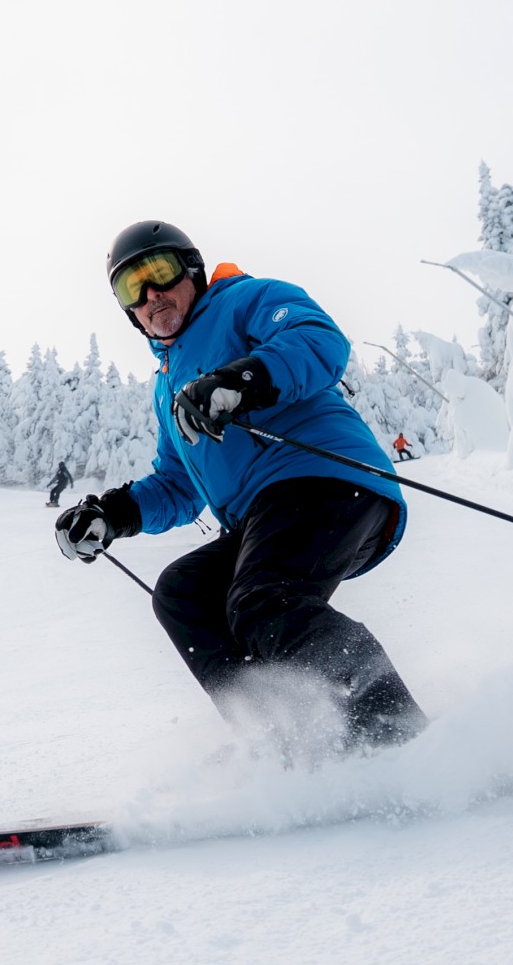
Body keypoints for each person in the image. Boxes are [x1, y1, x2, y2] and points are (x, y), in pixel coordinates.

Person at [54, 219, 426, 751]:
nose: (150, 295)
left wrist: (240, 380)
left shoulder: (244, 300)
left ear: (192, 269)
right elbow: (179, 484)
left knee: (264, 601)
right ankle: (284, 740)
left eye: (158, 272)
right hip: (266, 513)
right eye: (131, 288)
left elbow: (317, 340)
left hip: (327, 480)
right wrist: (112, 514)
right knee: (184, 594)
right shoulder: (168, 387)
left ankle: (400, 735)